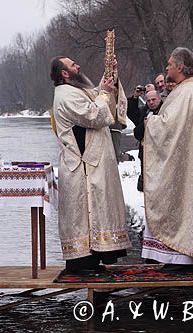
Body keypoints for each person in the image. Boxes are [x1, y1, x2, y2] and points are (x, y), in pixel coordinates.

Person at [141, 47, 193, 271]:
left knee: (182, 205)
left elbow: (170, 127)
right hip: (187, 159)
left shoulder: (188, 92)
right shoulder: (189, 90)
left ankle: (183, 258)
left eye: (169, 64)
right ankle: (182, 256)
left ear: (179, 66)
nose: (166, 68)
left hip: (184, 163)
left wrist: (151, 123)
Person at [50, 56, 131, 274]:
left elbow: (94, 96)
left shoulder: (74, 91)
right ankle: (82, 263)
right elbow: (93, 114)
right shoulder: (66, 95)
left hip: (90, 162)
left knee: (91, 213)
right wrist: (104, 92)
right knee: (84, 215)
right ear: (64, 73)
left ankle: (94, 259)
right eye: (72, 64)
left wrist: (110, 76)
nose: (78, 65)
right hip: (81, 165)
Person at [133, 90, 163, 192]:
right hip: (146, 155)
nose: (151, 102)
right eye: (148, 100)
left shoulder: (166, 111)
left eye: (153, 99)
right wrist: (145, 124)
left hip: (161, 155)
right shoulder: (145, 112)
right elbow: (137, 133)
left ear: (159, 98)